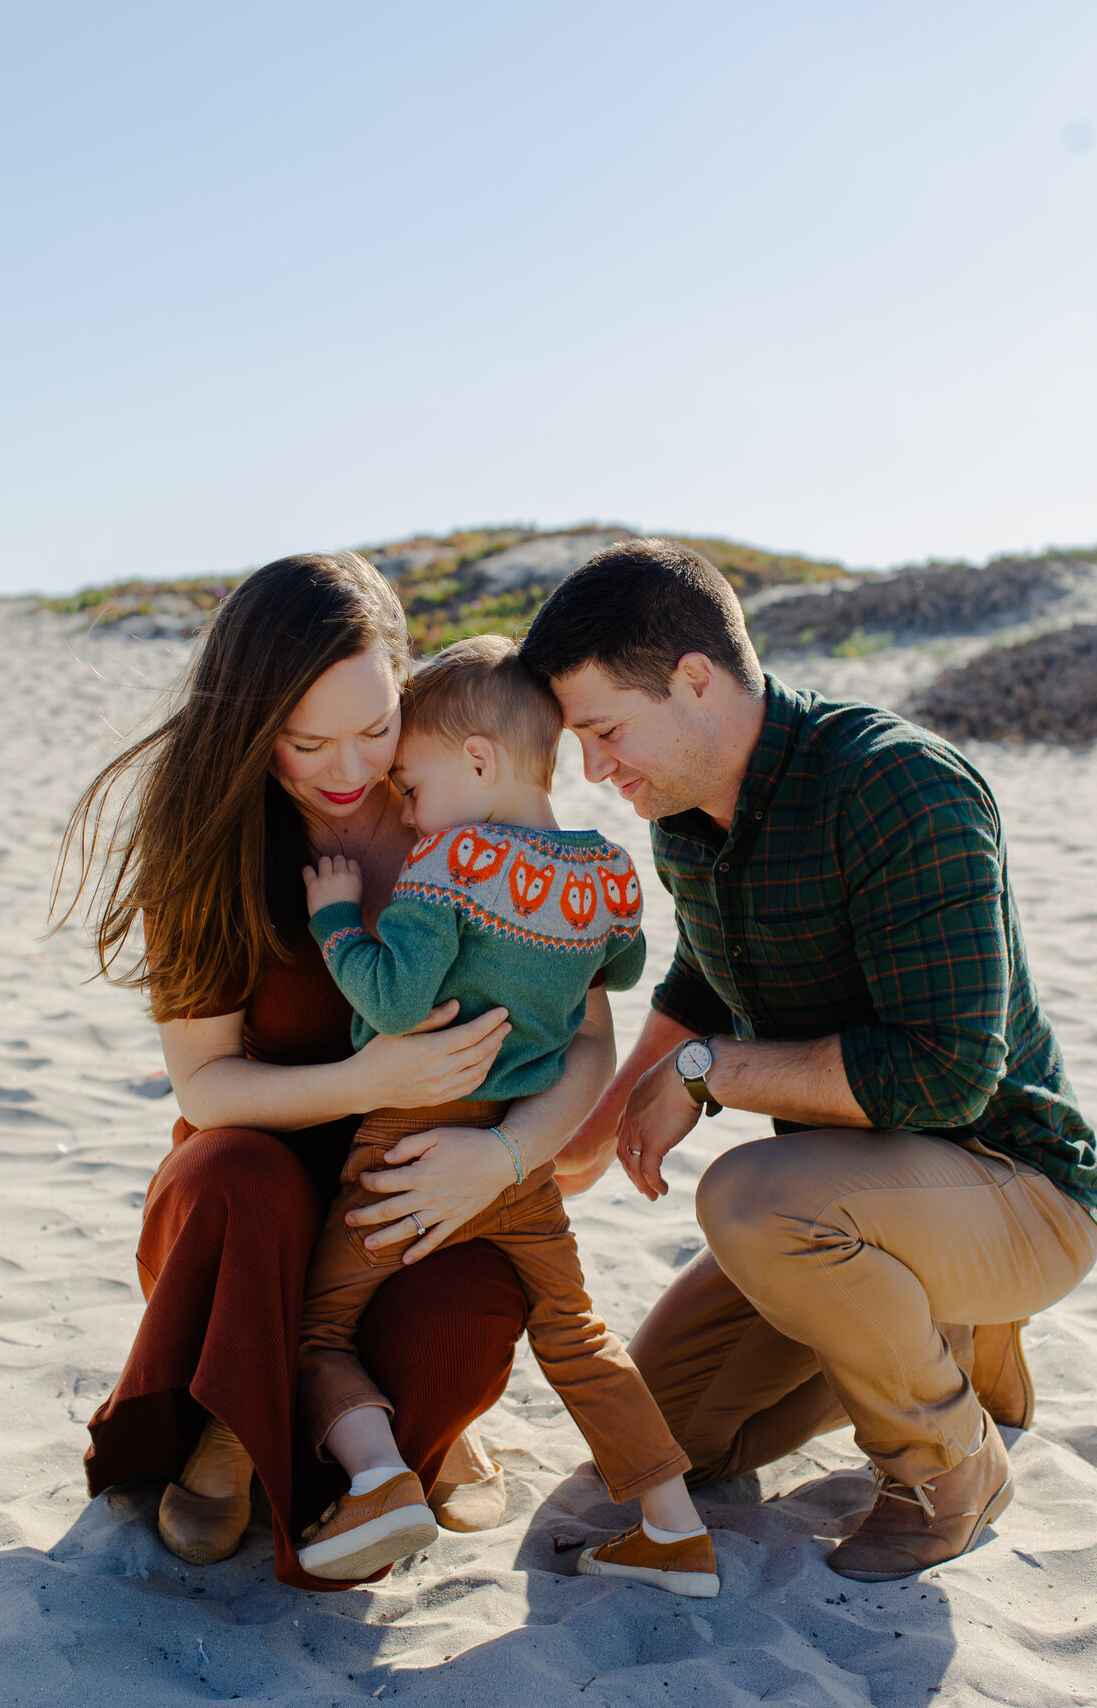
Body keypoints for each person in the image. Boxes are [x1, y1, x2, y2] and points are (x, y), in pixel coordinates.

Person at [519, 538, 1097, 1583]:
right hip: (855, 1202)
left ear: (695, 679)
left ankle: (947, 1468)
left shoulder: (898, 785)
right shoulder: (683, 810)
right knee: (656, 1444)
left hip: (1016, 1184)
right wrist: (598, 1131)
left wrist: (707, 1075)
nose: (596, 771)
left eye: (605, 732)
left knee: (749, 1196)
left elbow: (946, 1076)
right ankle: (953, 1339)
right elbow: (704, 975)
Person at [53, 553, 615, 1587]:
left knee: (466, 1315)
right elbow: (204, 1085)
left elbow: (587, 1039)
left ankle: (418, 1435)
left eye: (376, 729)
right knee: (236, 1178)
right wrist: (372, 1083)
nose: (349, 769)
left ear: (406, 689)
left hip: (422, 1175)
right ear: (248, 724)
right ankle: (231, 1427)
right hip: (249, 1205)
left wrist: (503, 1157)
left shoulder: (467, 801)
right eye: (305, 743)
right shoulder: (211, 839)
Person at [294, 637, 718, 1597]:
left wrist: (337, 920)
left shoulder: (448, 863)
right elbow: (618, 971)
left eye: (412, 785)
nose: (407, 810)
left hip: (409, 1143)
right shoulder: (609, 876)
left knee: (316, 1327)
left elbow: (396, 1001)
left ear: (479, 761)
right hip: (518, 1159)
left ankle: (378, 1480)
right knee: (576, 1334)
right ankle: (675, 1528)